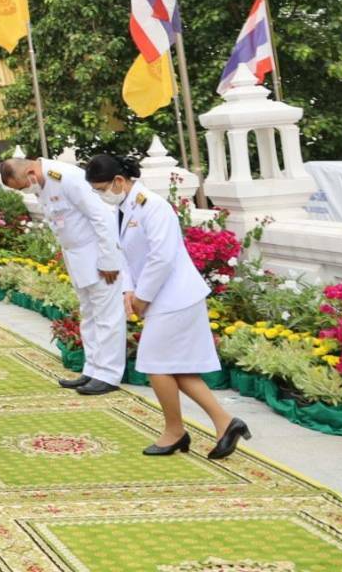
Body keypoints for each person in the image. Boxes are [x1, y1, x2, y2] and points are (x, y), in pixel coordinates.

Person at [84, 154, 250, 458]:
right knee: (175, 368)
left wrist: (142, 298)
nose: (100, 195)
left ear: (119, 181)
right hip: (159, 296)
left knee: (153, 363)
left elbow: (162, 256)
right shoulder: (124, 207)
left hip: (175, 296)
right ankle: (226, 423)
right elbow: (126, 254)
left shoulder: (152, 206)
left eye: (101, 188)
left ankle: (174, 430)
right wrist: (129, 291)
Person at [0, 157, 127, 395]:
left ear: (29, 172)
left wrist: (109, 260)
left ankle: (109, 374)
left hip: (98, 256)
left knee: (107, 316)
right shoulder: (43, 183)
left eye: (23, 187)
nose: (27, 191)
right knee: (88, 314)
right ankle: (92, 370)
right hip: (77, 257)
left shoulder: (66, 177)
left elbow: (101, 216)